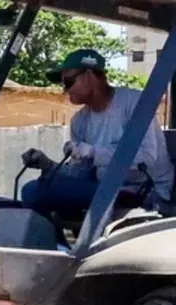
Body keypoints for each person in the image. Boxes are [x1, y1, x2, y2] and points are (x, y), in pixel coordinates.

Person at [20, 48, 174, 217]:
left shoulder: (134, 103)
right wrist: (48, 165)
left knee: (33, 191)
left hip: (144, 190)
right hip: (103, 189)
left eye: (69, 82)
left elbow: (147, 157)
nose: (65, 90)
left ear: (89, 75)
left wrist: (92, 152)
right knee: (35, 190)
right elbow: (81, 173)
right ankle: (58, 243)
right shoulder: (79, 121)